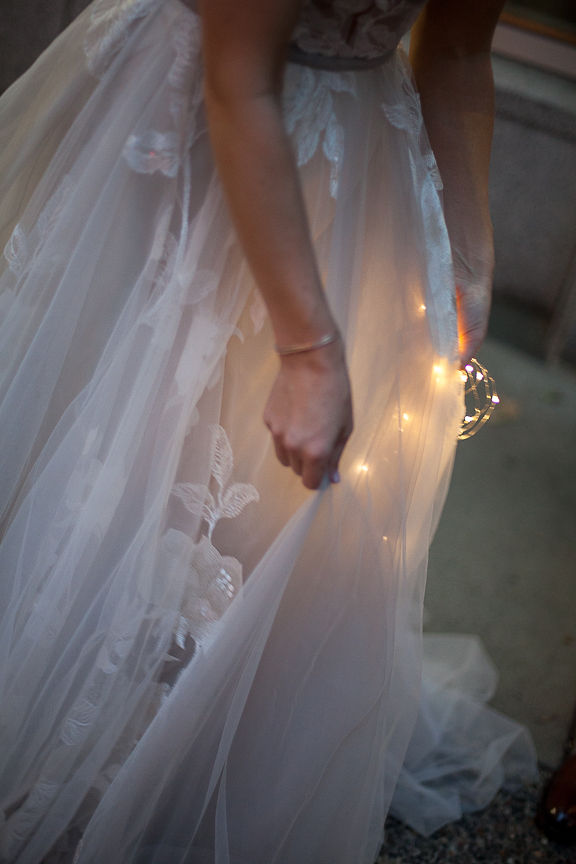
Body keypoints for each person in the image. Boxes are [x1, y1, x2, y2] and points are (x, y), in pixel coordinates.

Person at [0, 1, 537, 862]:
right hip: (200, 131)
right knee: (128, 445)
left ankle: (201, 727)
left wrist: (469, 252)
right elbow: (238, 79)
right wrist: (311, 352)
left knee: (272, 502)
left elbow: (462, 49)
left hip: (356, 155)